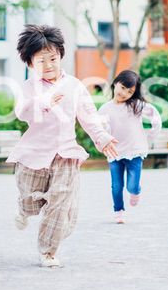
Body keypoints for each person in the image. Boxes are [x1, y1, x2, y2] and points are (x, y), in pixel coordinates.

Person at [7, 24, 119, 268]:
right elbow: (22, 112)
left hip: (66, 153)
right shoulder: (28, 88)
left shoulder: (75, 86)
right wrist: (43, 101)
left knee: (60, 201)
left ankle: (48, 251)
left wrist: (102, 137)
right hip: (34, 154)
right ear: (30, 63)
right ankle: (23, 210)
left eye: (53, 58)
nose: (48, 65)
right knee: (30, 201)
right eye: (41, 61)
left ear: (60, 56)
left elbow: (89, 117)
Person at [98, 70, 162, 224]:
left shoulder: (135, 105)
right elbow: (99, 131)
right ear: (115, 83)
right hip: (115, 153)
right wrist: (104, 143)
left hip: (135, 151)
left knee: (132, 186)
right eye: (123, 87)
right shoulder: (105, 109)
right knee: (116, 185)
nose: (124, 93)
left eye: (130, 91)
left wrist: (150, 136)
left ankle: (135, 191)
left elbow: (155, 117)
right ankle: (118, 211)